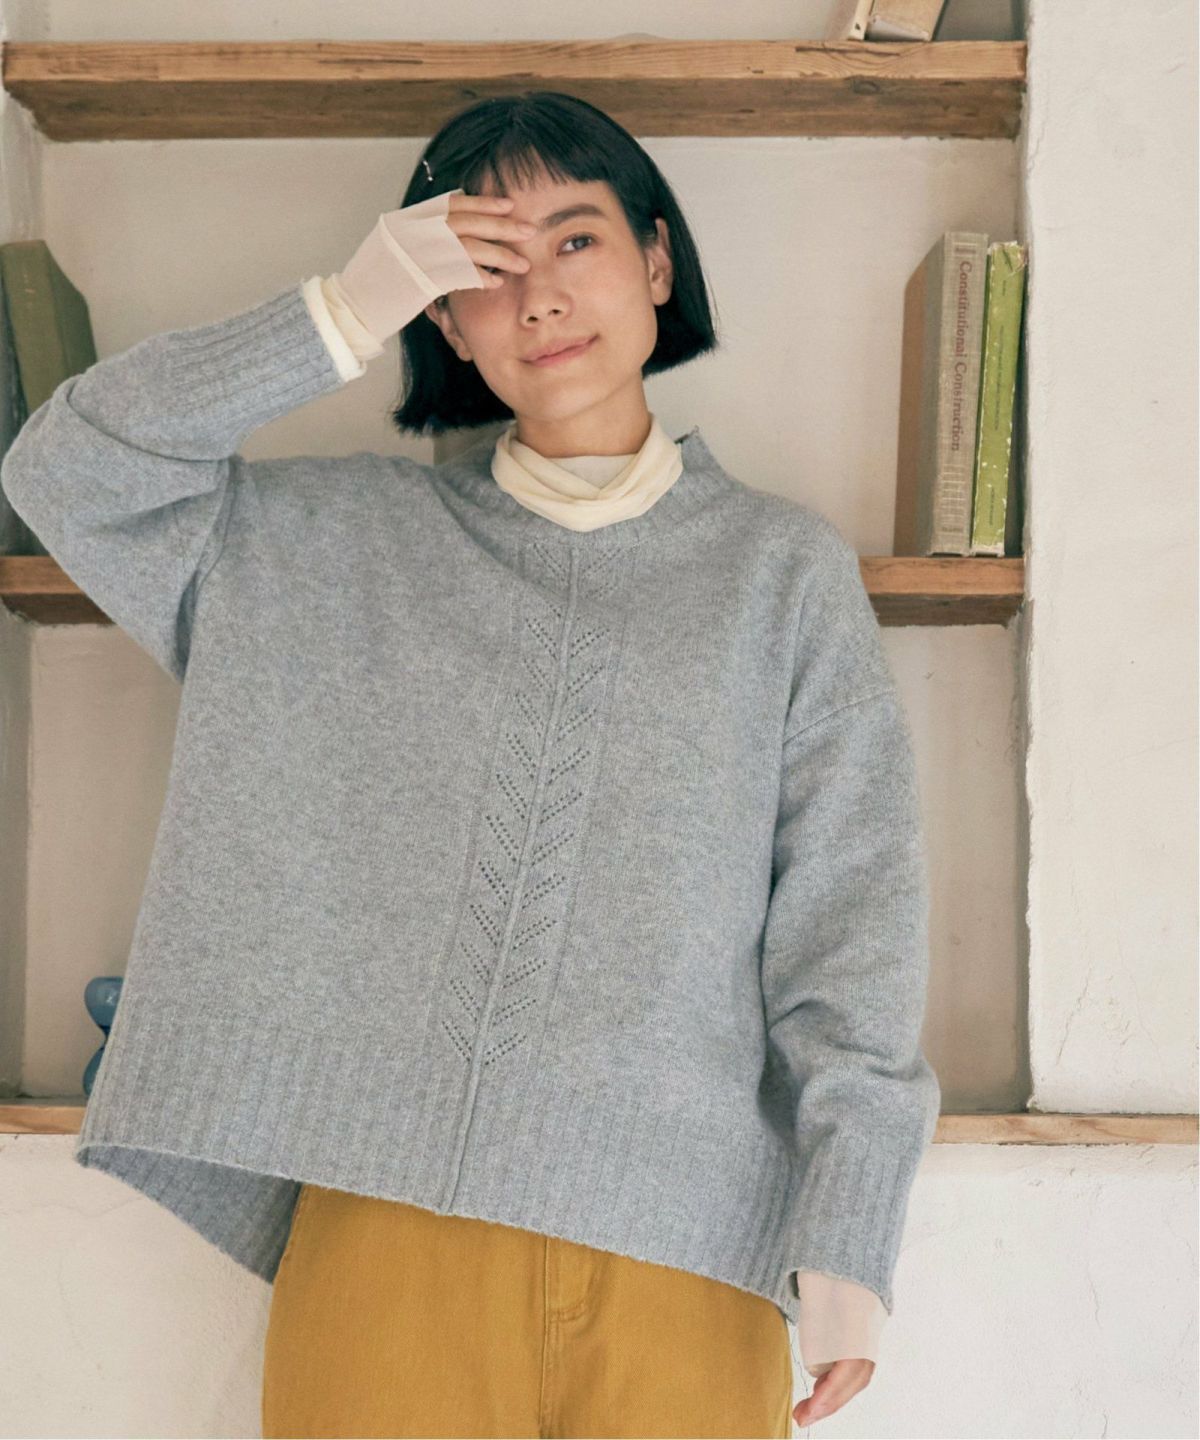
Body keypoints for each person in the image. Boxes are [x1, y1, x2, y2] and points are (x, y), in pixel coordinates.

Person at [2, 91, 940, 1439]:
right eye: (485, 265)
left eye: (577, 239)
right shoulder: (314, 547)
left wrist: (848, 1234)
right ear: (441, 317)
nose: (538, 295)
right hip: (386, 1233)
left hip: (690, 1246)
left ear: (657, 262)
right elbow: (70, 471)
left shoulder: (782, 576)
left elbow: (852, 930)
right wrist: (339, 308)